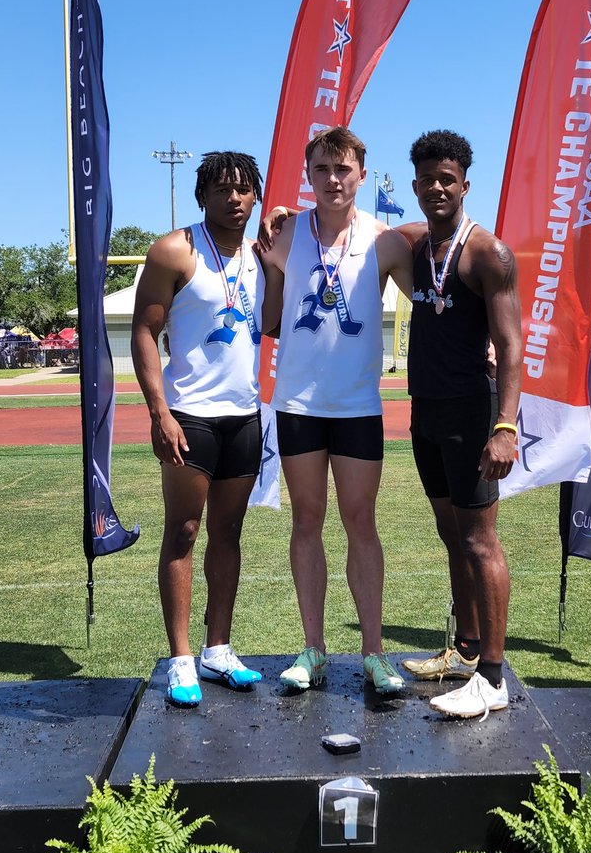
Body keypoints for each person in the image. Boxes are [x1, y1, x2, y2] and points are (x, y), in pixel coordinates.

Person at [260, 125, 418, 696]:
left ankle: (374, 652)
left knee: (361, 523)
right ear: (309, 176)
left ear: (362, 176)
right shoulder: (283, 236)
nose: (333, 179)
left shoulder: (386, 241)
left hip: (356, 406)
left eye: (343, 169)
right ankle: (313, 649)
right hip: (298, 404)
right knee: (307, 521)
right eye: (322, 170)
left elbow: (428, 293)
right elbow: (271, 321)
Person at [131, 151, 270, 708]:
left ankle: (218, 649)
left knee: (229, 536)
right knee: (184, 531)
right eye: (221, 190)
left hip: (244, 415)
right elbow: (144, 331)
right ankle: (182, 658)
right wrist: (158, 412)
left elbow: (277, 322)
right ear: (202, 196)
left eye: (243, 190)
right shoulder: (175, 249)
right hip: (189, 415)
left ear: (255, 195)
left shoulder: (263, 253)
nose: (234, 199)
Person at [397, 130, 522, 720]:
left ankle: (493, 678)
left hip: (474, 411)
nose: (437, 188)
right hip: (427, 413)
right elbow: (354, 228)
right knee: (452, 536)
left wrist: (505, 425)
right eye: (427, 179)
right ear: (416, 185)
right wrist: (292, 216)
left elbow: (512, 347)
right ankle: (468, 650)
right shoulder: (416, 245)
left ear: (465, 185)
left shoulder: (487, 253)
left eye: (448, 179)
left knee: (480, 539)